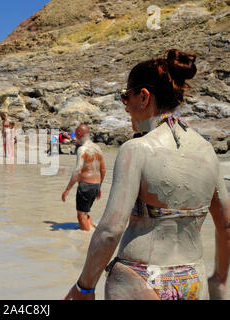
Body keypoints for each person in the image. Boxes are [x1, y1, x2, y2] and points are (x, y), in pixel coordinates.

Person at [64, 49, 229, 300]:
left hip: (141, 279)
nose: (126, 107)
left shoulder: (137, 149)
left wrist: (84, 287)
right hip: (194, 279)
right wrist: (219, 278)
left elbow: (110, 230)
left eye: (125, 97)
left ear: (144, 97)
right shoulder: (207, 151)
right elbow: (226, 224)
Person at [62, 125, 105, 231]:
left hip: (86, 186)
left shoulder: (82, 150)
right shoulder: (97, 148)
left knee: (80, 215)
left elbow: (77, 171)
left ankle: (86, 239)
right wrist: (99, 186)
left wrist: (67, 189)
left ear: (79, 133)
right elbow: (103, 170)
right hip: (96, 185)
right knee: (85, 212)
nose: (75, 137)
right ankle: (91, 228)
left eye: (75, 134)